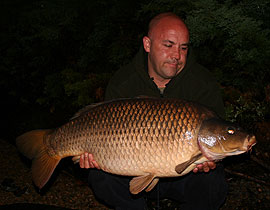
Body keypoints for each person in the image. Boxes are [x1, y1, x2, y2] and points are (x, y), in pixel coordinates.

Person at [80, 12, 227, 210]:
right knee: (101, 178)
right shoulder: (124, 81)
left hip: (185, 175)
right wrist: (94, 156)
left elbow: (217, 132)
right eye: (168, 45)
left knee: (213, 185)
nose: (177, 55)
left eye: (183, 48)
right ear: (147, 45)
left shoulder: (202, 83)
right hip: (130, 169)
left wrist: (211, 163)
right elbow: (104, 127)